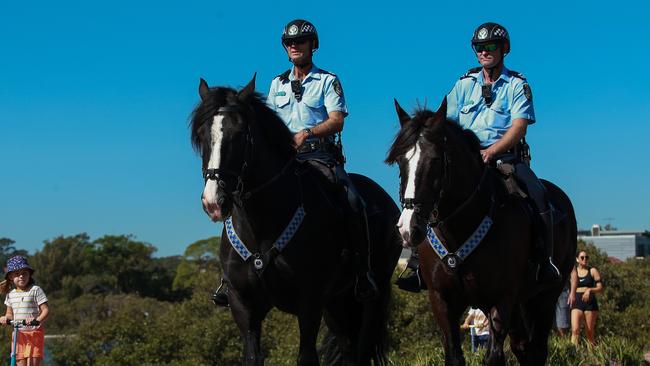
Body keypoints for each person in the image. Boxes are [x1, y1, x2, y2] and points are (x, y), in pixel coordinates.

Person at [212, 19, 377, 306]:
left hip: (319, 155)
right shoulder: (277, 84)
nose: (294, 46)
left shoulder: (327, 80)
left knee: (352, 199)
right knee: (239, 195)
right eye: (289, 43)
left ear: (313, 45)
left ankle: (362, 271)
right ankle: (229, 277)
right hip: (283, 158)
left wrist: (308, 133)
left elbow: (337, 120)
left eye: (300, 41)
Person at [396, 22, 561, 292]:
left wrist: (492, 151)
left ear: (504, 49)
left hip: (505, 158)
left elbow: (519, 126)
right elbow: (442, 121)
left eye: (490, 47)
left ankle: (544, 262)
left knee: (539, 194)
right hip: (467, 161)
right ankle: (417, 265)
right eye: (479, 48)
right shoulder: (464, 84)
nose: (484, 52)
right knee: (430, 192)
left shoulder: (517, 84)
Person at [0, 256, 49, 366]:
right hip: (19, 334)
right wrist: (5, 318)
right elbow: (9, 314)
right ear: (11, 277)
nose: (21, 276)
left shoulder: (35, 290)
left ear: (29, 275)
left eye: (24, 273)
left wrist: (37, 320)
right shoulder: (10, 294)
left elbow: (46, 310)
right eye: (17, 274)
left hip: (34, 333)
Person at [569, 250, 603, 346]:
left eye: (586, 257)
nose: (585, 259)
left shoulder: (592, 271)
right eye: (582, 257)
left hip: (590, 303)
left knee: (589, 332)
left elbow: (600, 288)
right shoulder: (573, 271)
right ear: (577, 259)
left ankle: (592, 355)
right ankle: (573, 354)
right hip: (577, 302)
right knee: (575, 330)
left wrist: (589, 290)